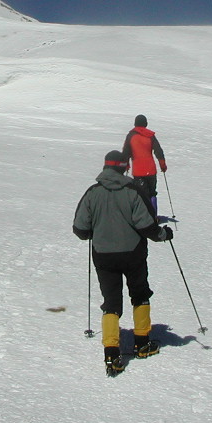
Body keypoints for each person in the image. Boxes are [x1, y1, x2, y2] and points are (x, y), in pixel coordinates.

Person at [72, 150, 174, 376]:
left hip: (103, 255)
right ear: (124, 167)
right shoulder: (133, 191)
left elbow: (80, 229)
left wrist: (95, 231)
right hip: (133, 254)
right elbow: (148, 226)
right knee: (140, 294)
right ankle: (142, 342)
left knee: (111, 302)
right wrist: (164, 234)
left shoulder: (92, 193)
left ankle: (111, 352)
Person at [121, 114, 168, 215]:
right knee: (152, 193)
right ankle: (154, 215)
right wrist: (163, 165)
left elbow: (125, 152)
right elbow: (158, 151)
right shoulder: (150, 136)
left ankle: (145, 217)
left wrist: (126, 165)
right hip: (151, 170)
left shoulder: (131, 136)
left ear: (135, 123)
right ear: (146, 124)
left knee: (141, 194)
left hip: (138, 171)